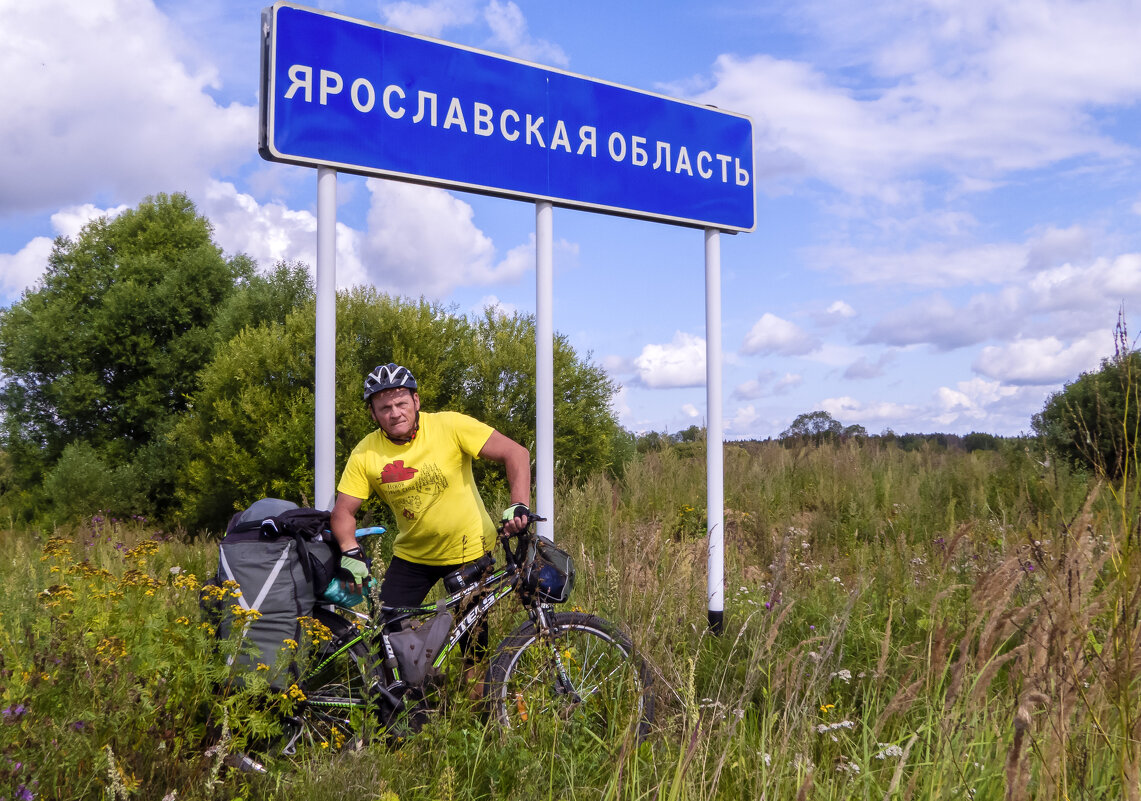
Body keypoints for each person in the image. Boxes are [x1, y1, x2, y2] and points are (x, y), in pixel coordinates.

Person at [329, 363, 532, 686]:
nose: (395, 413)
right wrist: (350, 551)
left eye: (401, 403)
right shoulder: (366, 452)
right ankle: (410, 698)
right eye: (384, 408)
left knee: (473, 644)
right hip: (412, 557)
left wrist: (519, 502)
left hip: (469, 550)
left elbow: (515, 453)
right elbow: (343, 512)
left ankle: (473, 712)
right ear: (373, 414)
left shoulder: (450, 425)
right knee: (389, 632)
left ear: (416, 402)